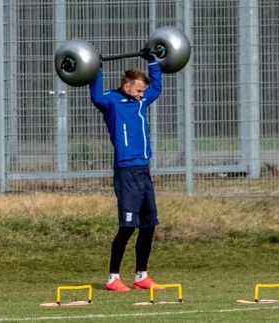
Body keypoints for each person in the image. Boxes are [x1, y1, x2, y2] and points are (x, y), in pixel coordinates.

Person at [89, 48, 165, 292]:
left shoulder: (141, 100)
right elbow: (96, 97)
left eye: (143, 90)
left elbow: (157, 89)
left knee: (149, 224)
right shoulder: (111, 101)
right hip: (126, 170)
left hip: (143, 169)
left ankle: (142, 275)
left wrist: (153, 61)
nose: (143, 94)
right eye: (139, 89)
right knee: (128, 226)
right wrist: (96, 68)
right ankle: (113, 278)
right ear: (126, 86)